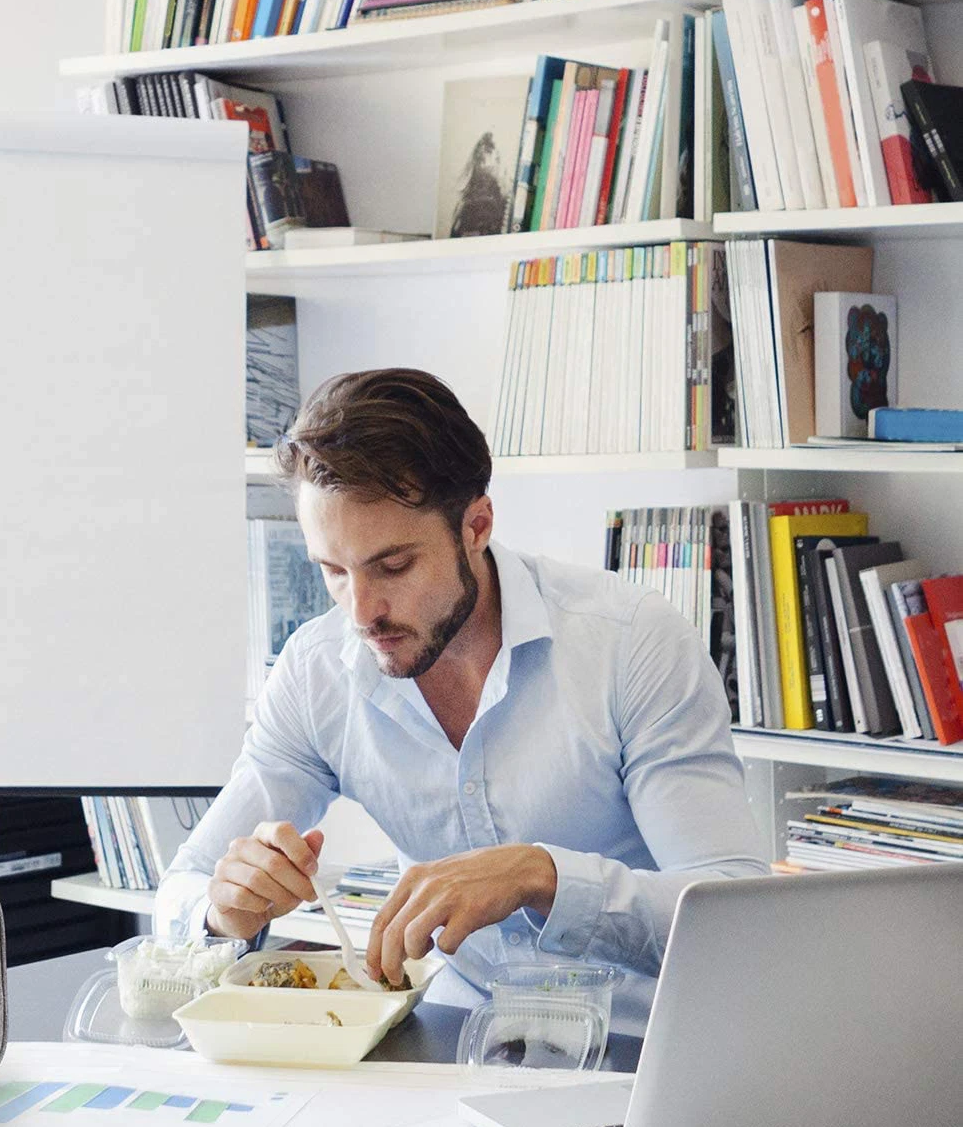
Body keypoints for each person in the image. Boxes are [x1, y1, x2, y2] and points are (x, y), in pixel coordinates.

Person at [154, 368, 767, 1033]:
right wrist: (224, 910)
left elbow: (737, 915)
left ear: (476, 524)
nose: (361, 613)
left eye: (393, 567)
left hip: (639, 1052)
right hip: (446, 1046)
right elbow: (182, 893)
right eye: (334, 572)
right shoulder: (316, 673)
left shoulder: (630, 645)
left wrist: (542, 876)